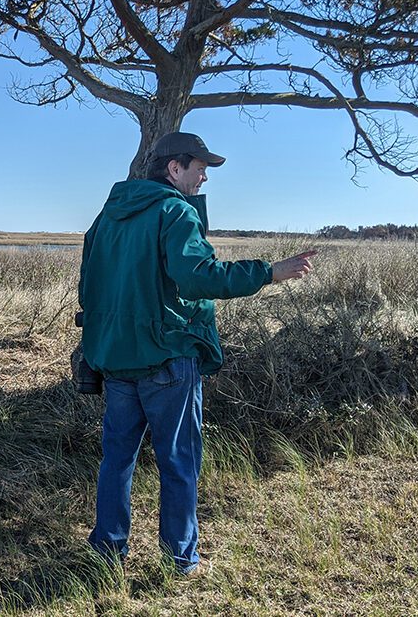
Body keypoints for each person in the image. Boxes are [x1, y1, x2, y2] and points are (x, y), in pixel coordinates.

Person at [79, 131, 316, 575]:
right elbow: (198, 277)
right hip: (168, 356)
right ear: (174, 167)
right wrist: (270, 271)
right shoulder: (174, 210)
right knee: (179, 460)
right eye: (200, 166)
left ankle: (107, 552)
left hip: (114, 360)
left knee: (116, 460)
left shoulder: (105, 218)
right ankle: (180, 559)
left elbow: (87, 288)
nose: (205, 176)